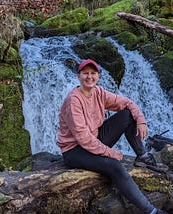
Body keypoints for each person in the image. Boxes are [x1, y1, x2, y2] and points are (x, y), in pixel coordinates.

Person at [57, 59, 165, 214]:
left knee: (127, 115)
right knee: (115, 166)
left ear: (98, 76)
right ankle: (152, 211)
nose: (89, 77)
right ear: (78, 76)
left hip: (94, 140)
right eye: (85, 73)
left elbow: (127, 103)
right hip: (74, 150)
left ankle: (142, 156)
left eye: (93, 73)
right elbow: (83, 138)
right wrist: (110, 153)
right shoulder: (73, 100)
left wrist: (141, 121)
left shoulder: (99, 92)